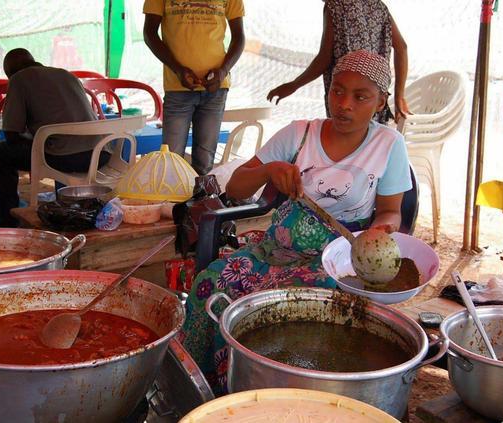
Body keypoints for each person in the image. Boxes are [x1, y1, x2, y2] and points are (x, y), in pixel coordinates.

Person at [181, 50, 413, 395]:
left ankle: (265, 391)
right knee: (211, 284)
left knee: (283, 309)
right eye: (337, 90)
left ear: (380, 101)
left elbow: (391, 211)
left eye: (360, 96)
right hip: (274, 250)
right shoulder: (299, 133)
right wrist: (267, 171)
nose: (344, 104)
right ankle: (203, 386)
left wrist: (381, 230)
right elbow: (235, 186)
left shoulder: (388, 144)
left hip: (337, 262)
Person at [0, 48, 109, 227]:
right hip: (100, 154)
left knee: (2, 153)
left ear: (9, 73)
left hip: (67, 158)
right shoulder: (66, 74)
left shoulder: (19, 79)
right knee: (53, 142)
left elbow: (11, 135)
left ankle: (8, 220)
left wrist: (32, 137)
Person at [143, 0, 245, 175]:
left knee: (204, 164)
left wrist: (223, 71)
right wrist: (177, 69)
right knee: (171, 161)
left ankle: (198, 200)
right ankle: (172, 202)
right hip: (177, 88)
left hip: (216, 88)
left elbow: (239, 37)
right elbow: (149, 33)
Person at [267, 0, 409, 122]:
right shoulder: (378, 5)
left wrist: (293, 85)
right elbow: (402, 47)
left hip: (346, 96)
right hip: (372, 97)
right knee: (369, 147)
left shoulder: (335, 6)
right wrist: (399, 97)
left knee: (344, 144)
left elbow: (325, 58)